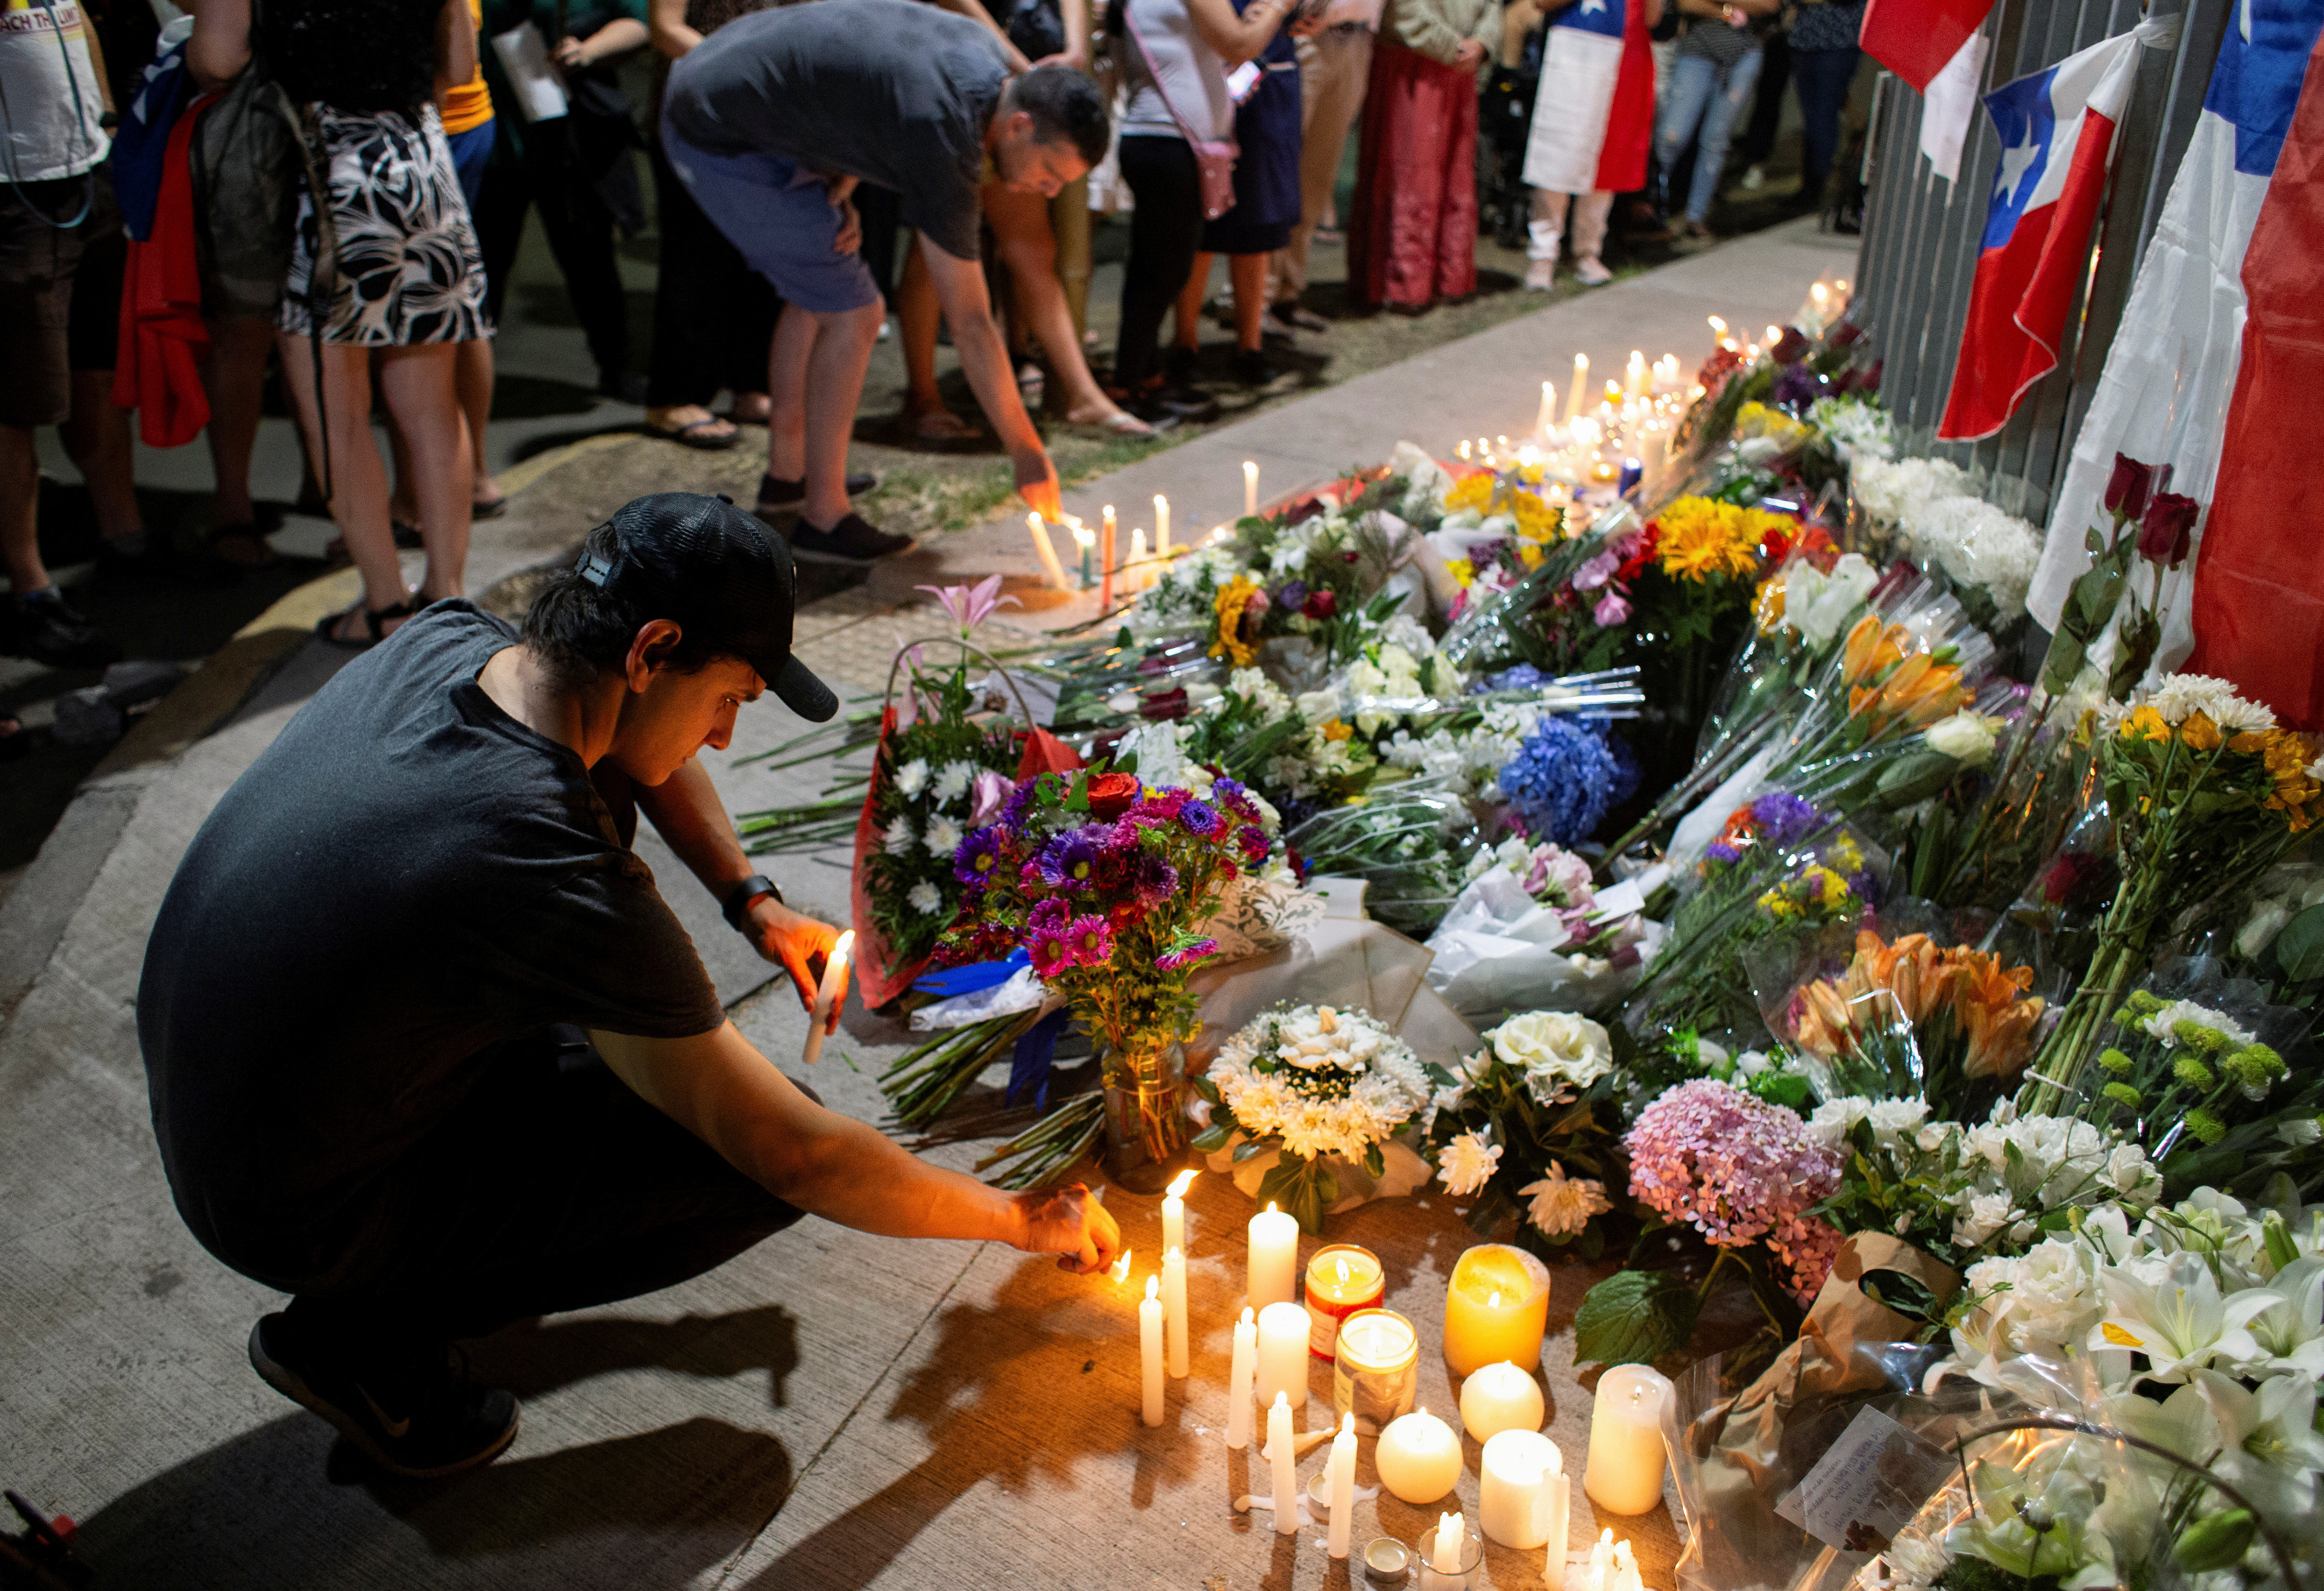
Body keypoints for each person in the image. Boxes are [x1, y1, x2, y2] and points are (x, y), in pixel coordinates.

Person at [138, 492, 1123, 1479]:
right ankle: (358, 1335)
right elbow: (794, 1154)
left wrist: (753, 900)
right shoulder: (537, 862)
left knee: (610, 811)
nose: (728, 737)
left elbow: (642, 753)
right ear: (651, 650)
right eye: (730, 698)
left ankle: (400, 1251)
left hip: (225, 1079)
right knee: (734, 1162)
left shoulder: (460, 640)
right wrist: (1017, 1218)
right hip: (286, 1195)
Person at [663, 0, 1106, 561]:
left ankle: (788, 481)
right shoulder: (947, 131)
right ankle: (823, 521)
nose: (1047, 192)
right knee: (855, 312)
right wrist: (1026, 450)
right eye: (1049, 175)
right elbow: (970, 322)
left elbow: (871, 84)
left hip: (741, 88)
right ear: (1021, 126)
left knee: (816, 291)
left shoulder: (988, 63)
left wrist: (840, 179)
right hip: (713, 124)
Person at [189, 0, 490, 647]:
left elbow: (215, 60)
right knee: (432, 407)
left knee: (335, 413)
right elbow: (460, 69)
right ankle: (446, 597)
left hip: (324, 181)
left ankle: (385, 606)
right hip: (418, 164)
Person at [2, 0, 133, 688]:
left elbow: (74, 14)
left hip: (83, 172)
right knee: (15, 402)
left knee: (97, 363)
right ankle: (31, 588)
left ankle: (125, 535)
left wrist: (107, 125)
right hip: (13, 190)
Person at [1108, 0, 1312, 423]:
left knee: (1161, 271)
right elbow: (1240, 44)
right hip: (1168, 141)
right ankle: (1128, 387)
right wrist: (1278, 7)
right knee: (1159, 275)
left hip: (1164, 141)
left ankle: (1146, 378)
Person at [475, 0, 649, 402]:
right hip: (491, 134)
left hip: (567, 136)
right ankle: (467, 372)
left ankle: (615, 366)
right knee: (483, 263)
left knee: (589, 256)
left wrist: (587, 50)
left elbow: (639, 23)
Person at [640, 0, 784, 453]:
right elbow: (666, 29)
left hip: (769, 122)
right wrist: (747, 78)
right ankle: (674, 397)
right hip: (699, 113)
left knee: (761, 261)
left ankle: (752, 383)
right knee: (696, 257)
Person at [1170, 0, 1301, 388]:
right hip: (1209, 75)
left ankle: (1251, 344)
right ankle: (1184, 343)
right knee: (1203, 220)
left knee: (1258, 221)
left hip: (1271, 80)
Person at [1344, 0, 1495, 313]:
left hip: (1460, 69)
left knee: (1453, 171)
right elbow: (1401, 8)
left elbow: (1494, 6)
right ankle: (1401, 279)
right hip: (1411, 63)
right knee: (1410, 172)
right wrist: (1452, 47)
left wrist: (1482, 43)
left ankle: (1444, 275)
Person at [1517, 0, 1661, 288]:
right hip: (1578, 52)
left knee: (1607, 159)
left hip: (1626, 56)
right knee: (1560, 153)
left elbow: (1653, 18)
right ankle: (1543, 253)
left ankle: (1588, 251)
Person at [1267, 0, 1376, 333]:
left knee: (1317, 178)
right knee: (1279, 169)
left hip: (1354, 38)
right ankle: (1255, 298)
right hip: (1302, 36)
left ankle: (1289, 291)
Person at [1651, 0, 1778, 242]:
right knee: (1671, 136)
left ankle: (1696, 216)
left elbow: (1769, 5)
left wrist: (1718, 7)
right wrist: (1728, 12)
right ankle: (1655, 210)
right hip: (1697, 49)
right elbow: (1687, 3)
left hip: (1744, 54)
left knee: (1716, 139)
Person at [1785, 0, 1861, 211]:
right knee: (1811, 118)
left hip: (1838, 42)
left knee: (1824, 115)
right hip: (1804, 41)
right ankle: (1809, 186)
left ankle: (1817, 187)